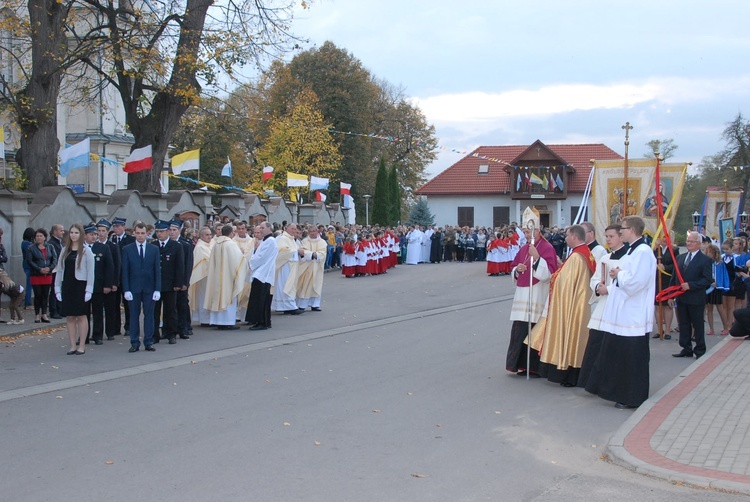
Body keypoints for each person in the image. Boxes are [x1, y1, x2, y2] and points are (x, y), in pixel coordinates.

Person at [587, 216, 656, 409]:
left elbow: (637, 282)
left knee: (632, 357)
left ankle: (633, 397)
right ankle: (623, 393)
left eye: (623, 229)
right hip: (626, 312)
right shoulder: (634, 251)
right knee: (623, 355)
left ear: (632, 230)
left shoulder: (642, 251)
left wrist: (619, 275)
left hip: (634, 315)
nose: (621, 231)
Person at [528, 224, 596, 387]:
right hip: (579, 303)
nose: (565, 238)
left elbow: (563, 283)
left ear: (574, 237)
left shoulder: (576, 257)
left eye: (567, 235)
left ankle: (567, 373)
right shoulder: (584, 253)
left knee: (569, 335)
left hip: (571, 304)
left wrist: (554, 277)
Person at [505, 207, 558, 375]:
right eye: (525, 232)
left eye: (528, 232)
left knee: (533, 328)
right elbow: (513, 267)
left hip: (537, 294)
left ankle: (533, 367)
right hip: (522, 295)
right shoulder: (523, 248)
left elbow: (549, 273)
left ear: (536, 230)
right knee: (519, 328)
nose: (526, 235)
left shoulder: (547, 247)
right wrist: (517, 270)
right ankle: (518, 364)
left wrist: (537, 259)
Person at [577, 224, 628, 389]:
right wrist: (598, 286)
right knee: (595, 342)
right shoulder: (605, 258)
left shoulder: (629, 258)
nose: (608, 240)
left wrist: (610, 289)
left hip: (618, 306)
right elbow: (594, 278)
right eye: (606, 236)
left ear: (621, 237)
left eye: (611, 236)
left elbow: (632, 283)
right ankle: (591, 382)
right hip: (603, 304)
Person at [669, 231, 713, 359]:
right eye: (688, 241)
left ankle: (699, 349)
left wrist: (691, 285)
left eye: (692, 241)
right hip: (681, 298)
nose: (689, 243)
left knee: (697, 324)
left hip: (696, 298)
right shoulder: (680, 258)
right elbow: (674, 278)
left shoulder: (705, 260)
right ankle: (686, 347)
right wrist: (671, 295)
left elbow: (707, 280)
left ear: (699, 244)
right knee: (683, 323)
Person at [55, 224, 95, 355]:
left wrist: (89, 290)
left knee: (82, 316)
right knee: (70, 316)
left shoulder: (86, 250)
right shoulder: (64, 250)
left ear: (81, 234)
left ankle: (82, 345)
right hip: (68, 285)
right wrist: (57, 289)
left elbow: (91, 272)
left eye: (76, 232)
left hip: (80, 286)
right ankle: (72, 345)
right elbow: (59, 270)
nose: (73, 235)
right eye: (71, 232)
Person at [122, 222, 161, 352]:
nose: (140, 236)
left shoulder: (154, 249)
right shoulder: (127, 249)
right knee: (134, 315)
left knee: (149, 315)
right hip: (134, 288)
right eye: (137, 233)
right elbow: (125, 271)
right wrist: (126, 289)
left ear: (147, 234)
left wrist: (157, 289)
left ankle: (148, 341)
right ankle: (134, 342)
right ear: (134, 233)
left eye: (142, 233)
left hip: (149, 288)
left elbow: (157, 270)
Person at [204, 225, 247, 330]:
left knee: (217, 297)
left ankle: (218, 321)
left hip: (216, 277)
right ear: (231, 233)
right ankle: (227, 322)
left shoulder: (215, 244)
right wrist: (243, 256)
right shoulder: (231, 244)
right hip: (228, 278)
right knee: (228, 297)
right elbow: (238, 261)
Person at [152, 220, 185, 344]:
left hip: (170, 284)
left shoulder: (176, 246)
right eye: (157, 232)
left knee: (170, 310)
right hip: (156, 284)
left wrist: (178, 283)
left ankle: (170, 333)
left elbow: (179, 266)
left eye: (161, 231)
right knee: (155, 310)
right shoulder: (153, 245)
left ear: (167, 231)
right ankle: (155, 334)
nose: (159, 234)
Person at [83, 223, 114, 346]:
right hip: (83, 286)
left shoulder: (103, 248)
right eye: (91, 234)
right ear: (85, 236)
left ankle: (97, 335)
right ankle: (84, 335)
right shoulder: (81, 248)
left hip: (98, 285)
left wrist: (108, 284)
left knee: (98, 312)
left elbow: (109, 267)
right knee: (83, 313)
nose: (94, 236)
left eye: (95, 234)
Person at [245, 222, 278, 330]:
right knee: (260, 298)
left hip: (263, 273)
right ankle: (264, 321)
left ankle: (262, 322)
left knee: (261, 299)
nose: (261, 230)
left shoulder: (270, 241)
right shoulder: (265, 241)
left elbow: (261, 257)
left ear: (269, 228)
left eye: (263, 228)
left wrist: (251, 262)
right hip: (261, 272)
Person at [26, 228, 57, 323]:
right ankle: (37, 315)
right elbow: (30, 261)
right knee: (38, 294)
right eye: (37, 236)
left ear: (45, 237)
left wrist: (49, 268)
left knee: (45, 294)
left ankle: (44, 314)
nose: (39, 238)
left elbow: (54, 259)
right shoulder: (31, 248)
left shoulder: (50, 247)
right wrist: (39, 269)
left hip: (47, 274)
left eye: (41, 236)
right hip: (36, 275)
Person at [97, 219, 121, 340]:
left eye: (103, 231)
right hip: (98, 283)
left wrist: (114, 282)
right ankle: (98, 333)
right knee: (97, 310)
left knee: (110, 308)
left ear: (107, 232)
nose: (101, 233)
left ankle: (110, 332)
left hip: (110, 282)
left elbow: (116, 266)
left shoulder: (112, 246)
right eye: (99, 231)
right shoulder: (93, 246)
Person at [111, 217, 135, 337]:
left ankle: (129, 326)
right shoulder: (112, 239)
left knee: (128, 303)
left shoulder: (130, 240)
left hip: (127, 275)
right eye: (114, 227)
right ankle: (115, 327)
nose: (116, 229)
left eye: (118, 226)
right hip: (115, 276)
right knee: (114, 303)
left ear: (124, 227)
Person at [271, 223, 301, 314]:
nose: (294, 231)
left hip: (292, 266)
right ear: (286, 228)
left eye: (295, 229)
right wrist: (296, 251)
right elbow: (282, 251)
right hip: (285, 266)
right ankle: (290, 307)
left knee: (290, 285)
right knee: (285, 285)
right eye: (292, 228)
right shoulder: (282, 238)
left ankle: (286, 306)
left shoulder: (291, 239)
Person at [296, 225, 327, 311]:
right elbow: (302, 251)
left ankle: (315, 304)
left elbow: (323, 254)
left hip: (317, 267)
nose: (312, 233)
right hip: (306, 267)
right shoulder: (304, 241)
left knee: (316, 285)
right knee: (304, 286)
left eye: (314, 231)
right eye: (310, 231)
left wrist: (314, 255)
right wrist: (311, 254)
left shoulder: (322, 242)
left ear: (317, 232)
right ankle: (302, 305)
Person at [653, 233, 678, 339]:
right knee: (658, 306)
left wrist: (665, 267)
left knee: (667, 306)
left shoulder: (674, 250)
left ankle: (667, 330)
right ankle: (660, 330)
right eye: (662, 236)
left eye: (666, 237)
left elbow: (676, 265)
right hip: (656, 280)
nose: (664, 239)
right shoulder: (655, 250)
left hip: (668, 280)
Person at [171, 219, 193, 339]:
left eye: (174, 230)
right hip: (170, 280)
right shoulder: (167, 243)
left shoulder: (185, 244)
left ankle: (184, 327)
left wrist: (185, 281)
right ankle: (170, 328)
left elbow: (188, 264)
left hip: (182, 280)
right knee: (170, 306)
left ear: (179, 230)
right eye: (171, 230)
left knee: (182, 303)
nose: (172, 232)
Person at [704, 244, 730, 335]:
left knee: (720, 307)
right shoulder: (706, 263)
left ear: (715, 253)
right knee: (709, 308)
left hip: (717, 288)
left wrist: (718, 283)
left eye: (710, 252)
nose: (708, 254)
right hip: (708, 287)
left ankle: (726, 327)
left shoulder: (720, 263)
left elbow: (723, 275)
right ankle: (711, 328)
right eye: (707, 252)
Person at [47, 224, 64, 319]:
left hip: (59, 269)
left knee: (59, 290)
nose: (63, 232)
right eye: (61, 230)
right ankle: (53, 311)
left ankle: (59, 309)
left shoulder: (58, 242)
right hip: (54, 270)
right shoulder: (51, 243)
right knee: (54, 290)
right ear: (55, 232)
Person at [21, 227, 35, 309]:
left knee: (30, 284)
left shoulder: (26, 243)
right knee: (29, 285)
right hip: (28, 266)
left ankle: (28, 302)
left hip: (27, 265)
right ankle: (28, 303)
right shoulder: (26, 244)